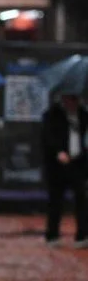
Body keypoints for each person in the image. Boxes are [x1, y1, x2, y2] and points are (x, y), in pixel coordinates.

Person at [41, 94, 88, 248]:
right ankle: (52, 235)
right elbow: (47, 136)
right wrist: (58, 151)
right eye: (69, 99)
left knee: (81, 198)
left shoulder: (83, 114)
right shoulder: (52, 115)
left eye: (75, 99)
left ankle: (82, 235)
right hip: (58, 164)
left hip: (78, 162)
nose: (72, 103)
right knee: (56, 200)